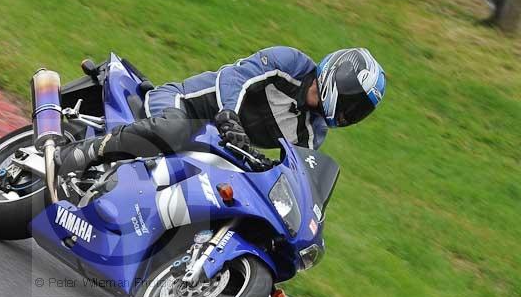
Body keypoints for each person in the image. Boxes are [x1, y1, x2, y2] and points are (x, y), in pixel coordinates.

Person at [56, 46, 386, 176]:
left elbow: (292, 171)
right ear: (339, 77)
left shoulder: (314, 133)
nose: (350, 113)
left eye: (360, 111)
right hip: (184, 105)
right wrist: (229, 113)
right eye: (354, 102)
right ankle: (88, 150)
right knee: (174, 129)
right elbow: (236, 76)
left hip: (215, 147)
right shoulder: (291, 63)